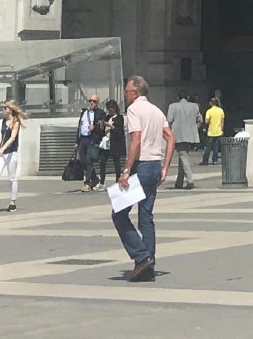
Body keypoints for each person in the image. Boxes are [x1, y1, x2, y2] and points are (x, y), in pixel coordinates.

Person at [111, 75, 174, 283]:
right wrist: (164, 167)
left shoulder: (134, 110)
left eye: (127, 91)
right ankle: (149, 263)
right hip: (154, 165)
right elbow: (170, 137)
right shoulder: (156, 110)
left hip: (141, 165)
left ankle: (141, 256)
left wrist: (126, 170)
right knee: (146, 215)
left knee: (119, 214)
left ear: (135, 92)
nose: (126, 95)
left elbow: (136, 139)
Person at [0, 99, 24, 211]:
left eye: (5, 108)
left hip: (11, 153)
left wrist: (3, 148)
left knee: (12, 178)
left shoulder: (16, 122)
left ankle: (13, 202)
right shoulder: (3, 121)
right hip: (2, 153)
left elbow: (12, 137)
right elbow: (2, 137)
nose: (3, 110)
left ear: (11, 109)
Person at [167, 88, 200, 190]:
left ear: (178, 97)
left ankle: (189, 180)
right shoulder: (194, 106)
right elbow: (200, 120)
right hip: (190, 134)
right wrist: (193, 128)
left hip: (178, 134)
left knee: (183, 156)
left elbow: (169, 120)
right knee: (183, 156)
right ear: (188, 97)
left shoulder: (173, 106)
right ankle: (179, 181)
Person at [76, 92, 110, 191]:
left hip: (92, 139)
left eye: (94, 101)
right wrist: (77, 141)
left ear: (97, 103)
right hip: (83, 139)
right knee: (83, 161)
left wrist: (94, 127)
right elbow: (79, 127)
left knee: (89, 160)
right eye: (90, 101)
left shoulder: (100, 113)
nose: (91, 103)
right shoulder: (84, 112)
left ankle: (88, 183)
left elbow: (102, 128)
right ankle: (94, 179)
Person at [201, 92, 226, 170]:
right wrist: (222, 130)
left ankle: (205, 160)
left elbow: (206, 121)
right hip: (218, 131)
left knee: (208, 147)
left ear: (211, 103)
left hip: (211, 132)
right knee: (216, 147)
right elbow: (222, 121)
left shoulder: (209, 111)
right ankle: (215, 160)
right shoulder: (221, 110)